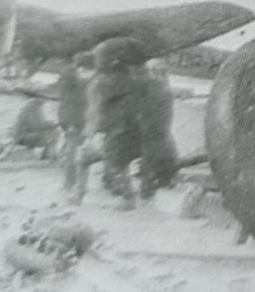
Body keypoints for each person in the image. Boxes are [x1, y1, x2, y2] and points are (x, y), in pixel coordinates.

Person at [74, 37, 145, 210]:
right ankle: (124, 196)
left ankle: (126, 199)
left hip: (113, 132)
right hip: (132, 131)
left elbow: (95, 112)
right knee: (119, 165)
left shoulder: (99, 83)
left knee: (95, 161)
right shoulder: (127, 78)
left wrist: (90, 135)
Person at [137, 59, 179, 200]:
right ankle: (164, 183)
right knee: (165, 159)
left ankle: (148, 193)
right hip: (161, 132)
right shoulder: (165, 88)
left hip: (152, 132)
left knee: (150, 163)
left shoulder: (152, 88)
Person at [55, 53, 93, 192]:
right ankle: (70, 184)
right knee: (72, 154)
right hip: (74, 123)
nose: (89, 74)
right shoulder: (69, 81)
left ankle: (80, 185)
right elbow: (66, 104)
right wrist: (67, 124)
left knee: (85, 154)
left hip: (88, 123)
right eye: (85, 71)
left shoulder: (93, 81)